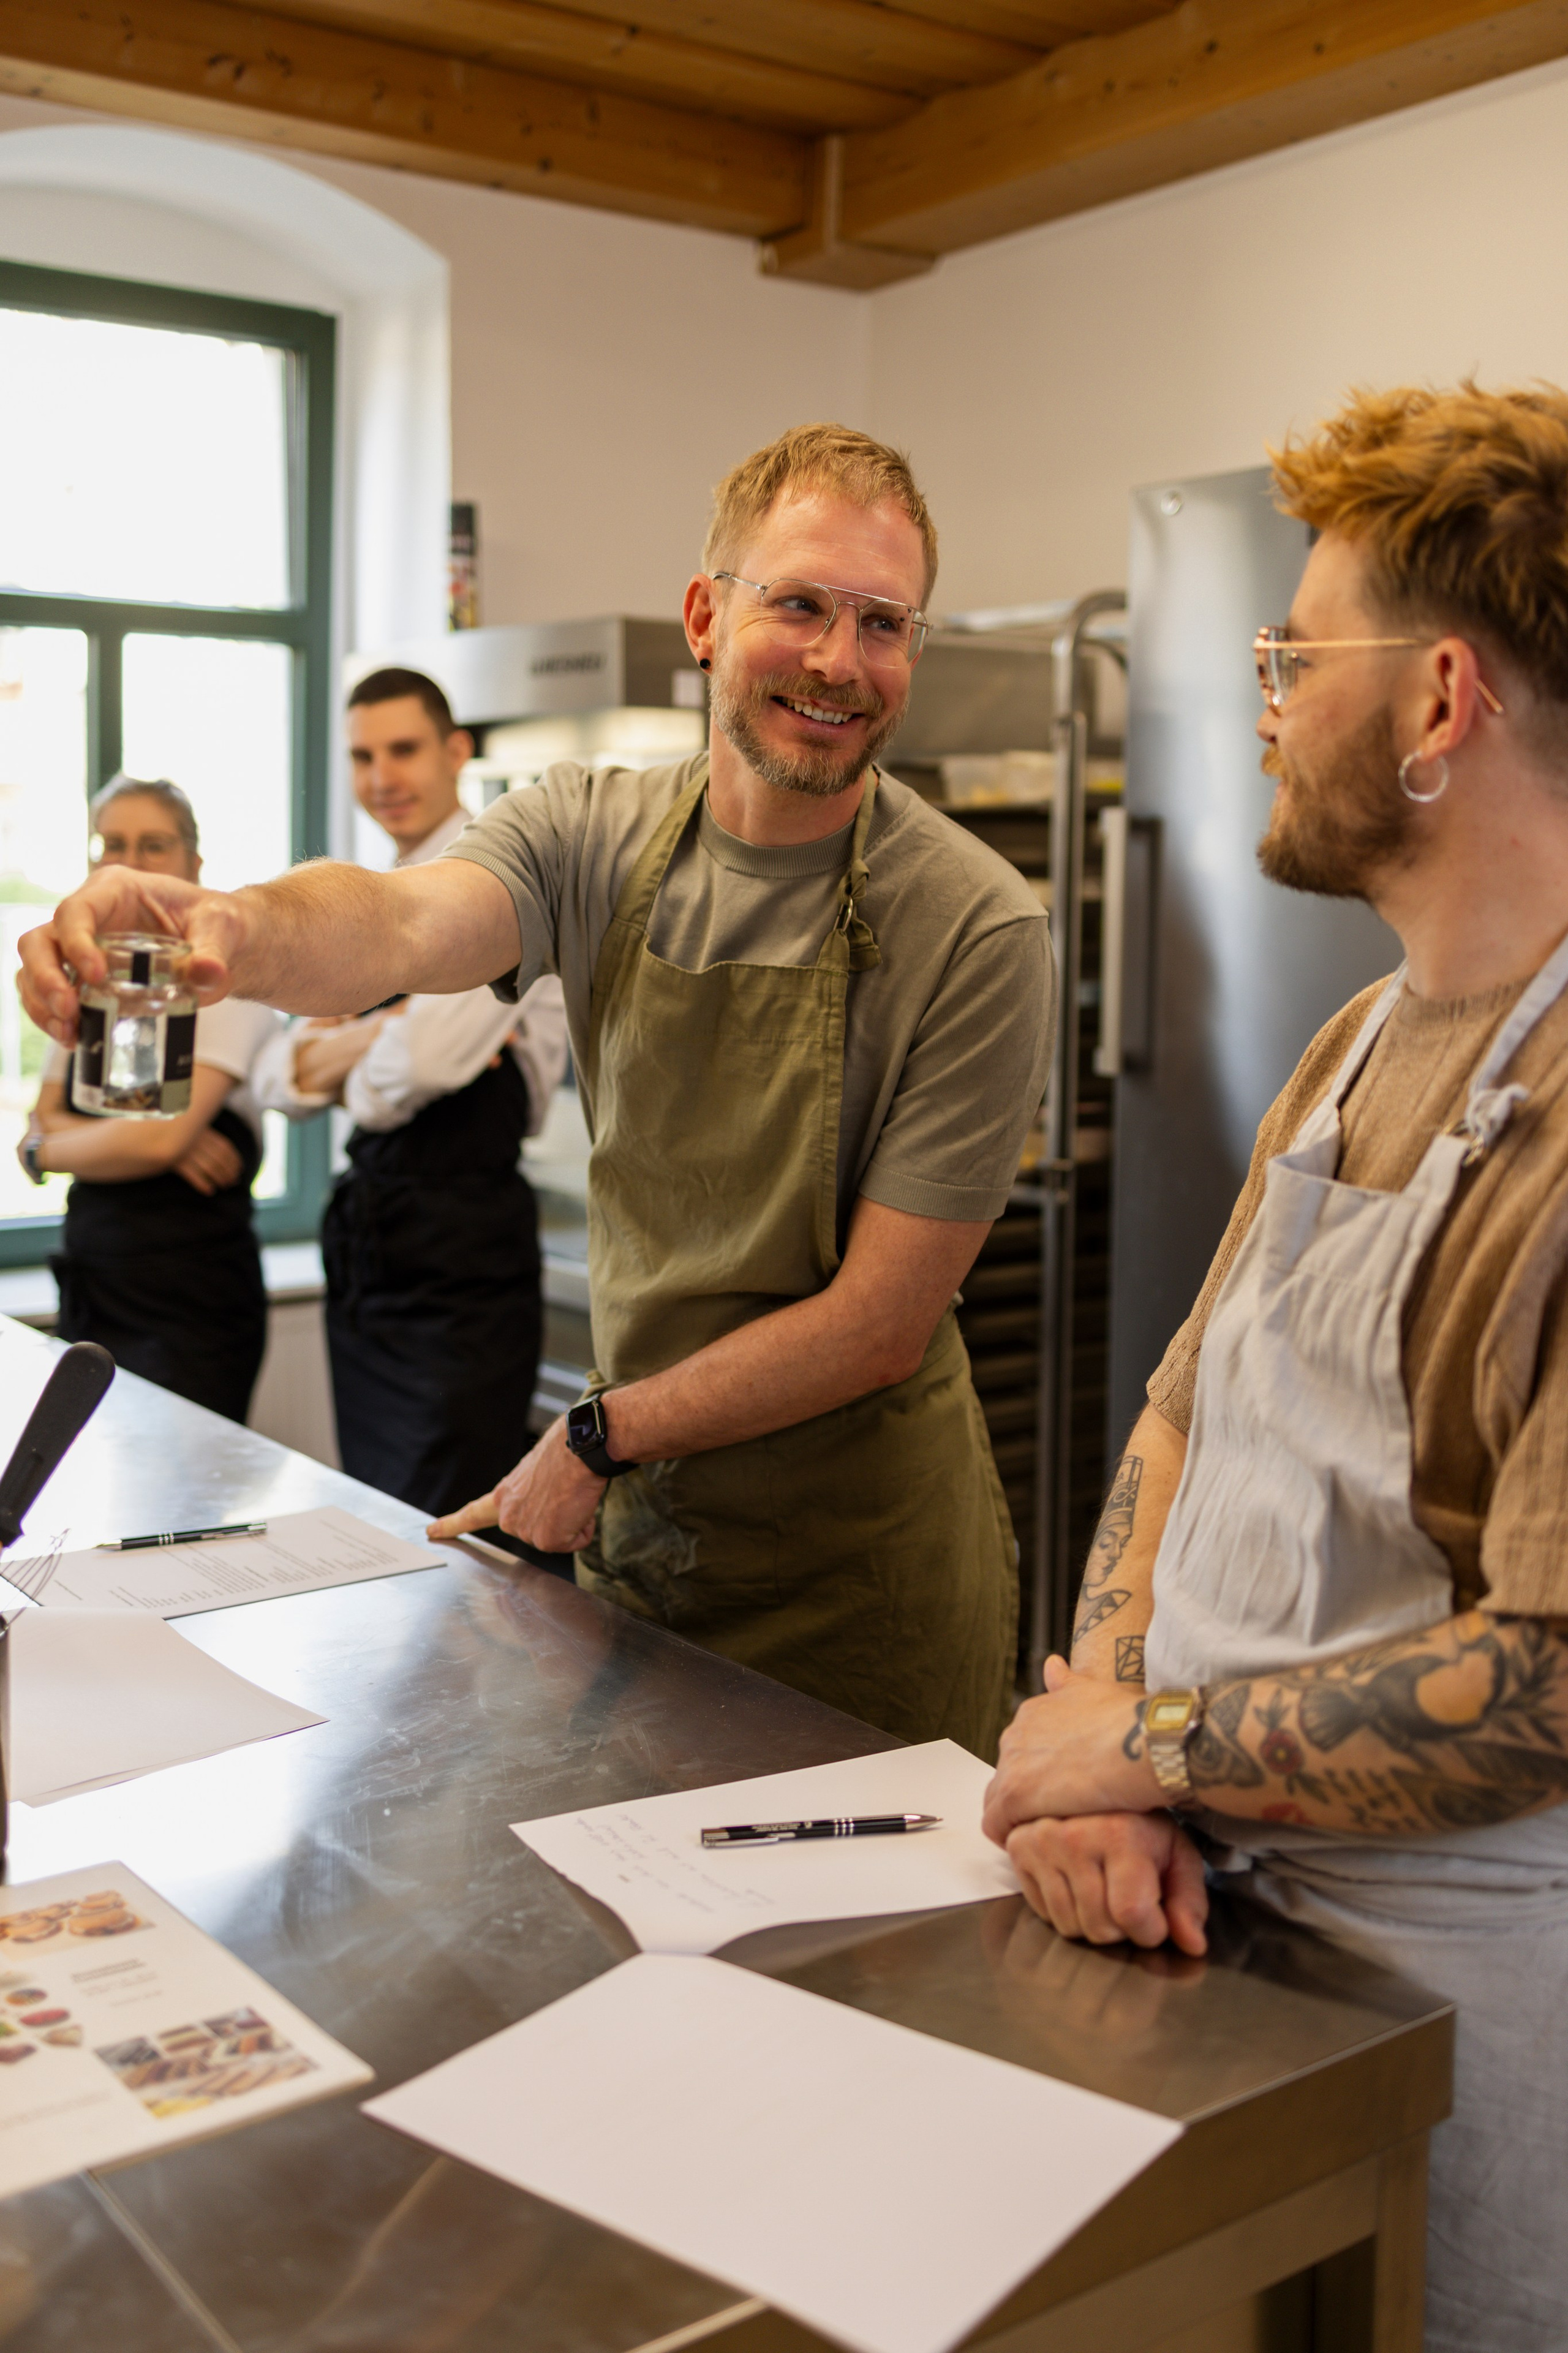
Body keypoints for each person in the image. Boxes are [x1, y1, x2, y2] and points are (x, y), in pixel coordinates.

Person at [18, 424, 1054, 1759]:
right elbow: (389, 923)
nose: (837, 661)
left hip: (864, 1578)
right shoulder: (592, 834)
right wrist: (222, 926)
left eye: (881, 623)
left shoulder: (971, 924)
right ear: (705, 614)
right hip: (652, 1535)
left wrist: (601, 1432)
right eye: (796, 603)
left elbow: (875, 1325)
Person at [981, 383, 1568, 2351]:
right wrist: (1106, 1723)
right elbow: (1181, 1411)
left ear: (1433, 707)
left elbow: (1555, 1677)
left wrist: (1138, 1751)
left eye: (1288, 654)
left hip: (1462, 2005)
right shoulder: (1343, 1048)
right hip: (1206, 1918)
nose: (1255, 693)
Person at [252, 668, 568, 1520]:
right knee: (375, 1517)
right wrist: (376, 1035)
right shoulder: (371, 894)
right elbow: (275, 1077)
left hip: (461, 1266)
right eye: (362, 755)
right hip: (372, 1259)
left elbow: (415, 1073)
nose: (381, 776)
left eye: (403, 749)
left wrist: (346, 1045)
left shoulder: (500, 884)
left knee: (447, 1535)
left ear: (455, 751)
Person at [20, 776, 281, 1424]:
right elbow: (51, 1112)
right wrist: (139, 1141)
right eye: (112, 845)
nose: (129, 865)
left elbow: (150, 1136)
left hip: (192, 1307)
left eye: (153, 845)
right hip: (94, 1285)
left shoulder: (222, 979)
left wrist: (48, 1150)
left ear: (195, 864)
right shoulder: (88, 981)